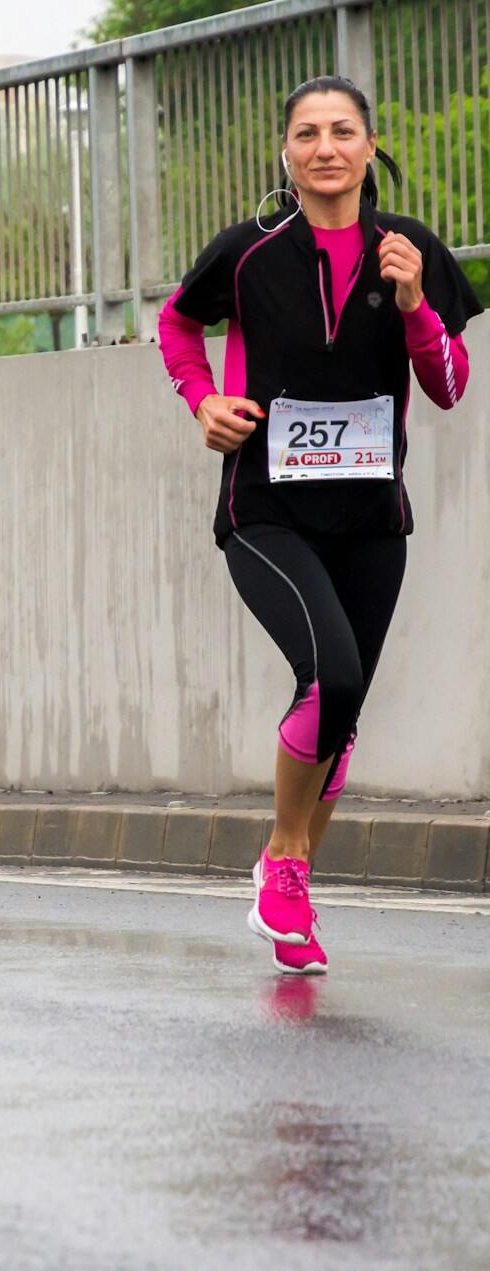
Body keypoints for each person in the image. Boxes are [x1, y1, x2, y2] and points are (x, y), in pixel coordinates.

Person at [158, 74, 481, 976]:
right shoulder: (250, 252)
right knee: (329, 675)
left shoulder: (411, 250)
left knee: (342, 709)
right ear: (287, 154)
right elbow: (176, 328)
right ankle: (288, 863)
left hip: (374, 517)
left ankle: (285, 874)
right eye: (308, 134)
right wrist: (203, 402)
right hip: (265, 508)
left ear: (371, 146)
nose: (326, 147)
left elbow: (450, 390)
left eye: (344, 131)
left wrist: (417, 307)